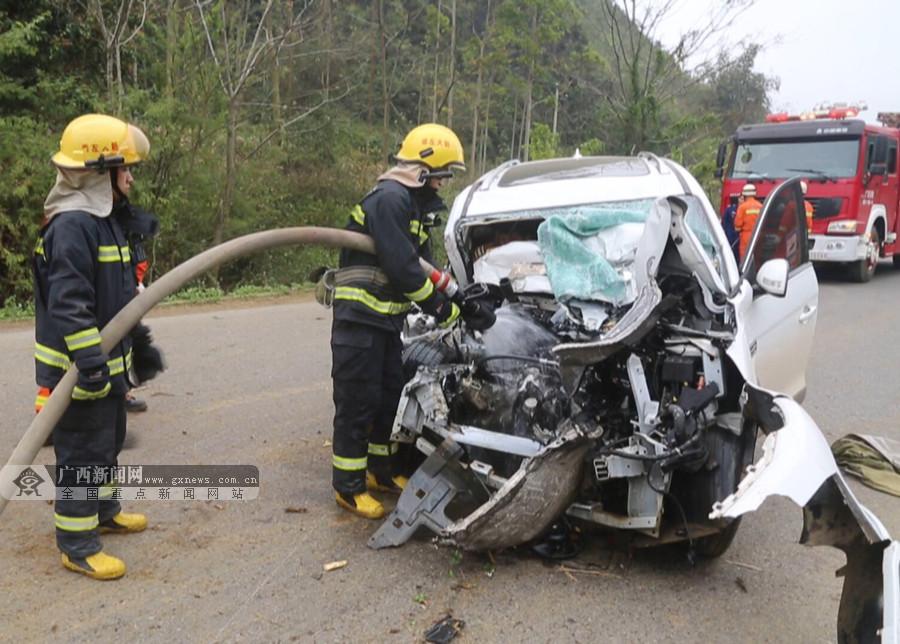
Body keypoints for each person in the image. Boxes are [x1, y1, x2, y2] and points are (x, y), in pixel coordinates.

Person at [329, 123, 492, 520]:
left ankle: (379, 472)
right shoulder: (389, 199)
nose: (443, 184)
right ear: (422, 170)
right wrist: (445, 310)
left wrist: (460, 296)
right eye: (441, 175)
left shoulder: (412, 207)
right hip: (359, 321)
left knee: (388, 397)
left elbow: (425, 265)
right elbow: (403, 269)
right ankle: (347, 488)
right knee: (357, 402)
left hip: (384, 323)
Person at [33, 113, 164, 579]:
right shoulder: (73, 226)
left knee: (106, 445)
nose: (130, 177)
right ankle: (78, 543)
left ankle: (105, 512)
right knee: (81, 456)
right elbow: (70, 306)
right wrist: (90, 363)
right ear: (96, 172)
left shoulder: (104, 221)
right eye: (123, 168)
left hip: (105, 368)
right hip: (79, 369)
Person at [734, 183, 762, 261]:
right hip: (758, 235)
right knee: (757, 257)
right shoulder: (760, 206)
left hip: (746, 237)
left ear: (744, 194)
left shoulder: (742, 207)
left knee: (745, 258)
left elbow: (737, 226)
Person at [721, 196, 739, 262]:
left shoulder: (727, 210)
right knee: (737, 251)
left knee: (730, 250)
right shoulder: (739, 209)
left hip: (729, 234)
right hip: (737, 234)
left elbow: (724, 222)